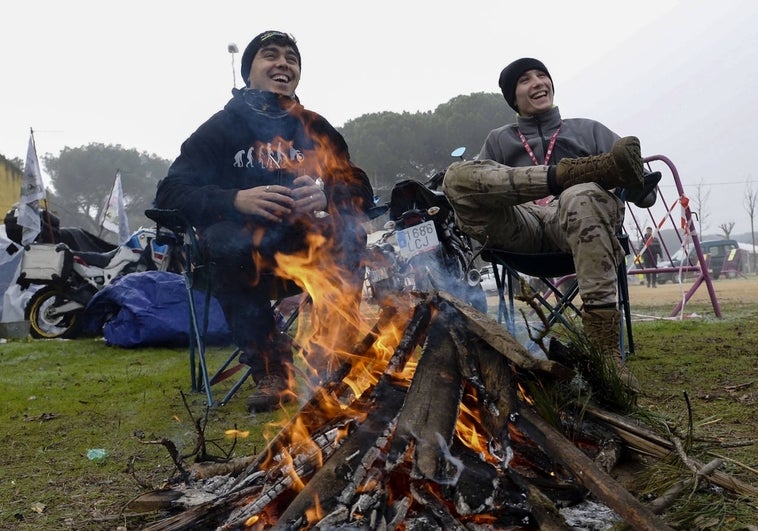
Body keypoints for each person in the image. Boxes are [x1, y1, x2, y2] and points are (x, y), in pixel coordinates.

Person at [155, 30, 374, 412]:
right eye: (270, 55)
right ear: (249, 71)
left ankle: (334, 359)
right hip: (239, 258)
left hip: (304, 249)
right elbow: (170, 192)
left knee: (348, 233)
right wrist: (234, 199)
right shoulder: (220, 128)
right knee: (227, 242)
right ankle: (273, 369)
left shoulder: (312, 126)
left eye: (291, 58)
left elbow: (356, 182)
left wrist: (327, 195)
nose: (283, 63)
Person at [442, 57, 644, 391]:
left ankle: (606, 357)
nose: (537, 82)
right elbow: (479, 187)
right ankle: (566, 174)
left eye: (542, 75)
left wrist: (640, 187)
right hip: (520, 225)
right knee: (457, 175)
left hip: (574, 225)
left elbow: (640, 186)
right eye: (525, 80)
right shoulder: (498, 140)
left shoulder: (588, 129)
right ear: (513, 98)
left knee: (580, 194)